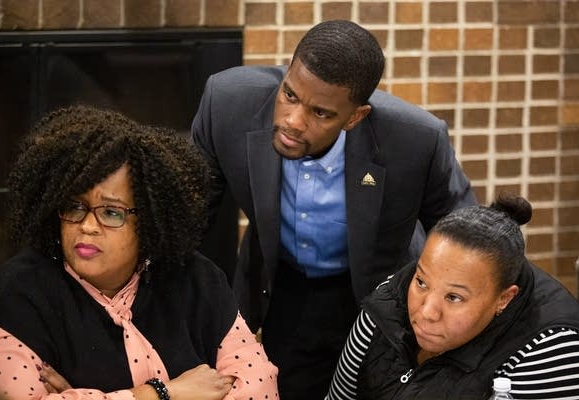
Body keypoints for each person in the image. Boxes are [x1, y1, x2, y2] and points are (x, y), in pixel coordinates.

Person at [191, 19, 475, 399]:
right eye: (289, 95)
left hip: (382, 294)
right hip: (284, 284)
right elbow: (187, 213)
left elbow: (465, 239)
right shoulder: (227, 103)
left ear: (355, 117)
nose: (293, 122)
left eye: (321, 113)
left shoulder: (417, 139)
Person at [0, 105, 278, 400]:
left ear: (147, 220)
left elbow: (260, 390)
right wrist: (163, 394)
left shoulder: (196, 279)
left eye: (111, 212)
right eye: (74, 206)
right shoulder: (18, 291)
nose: (87, 226)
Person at [326, 195, 579, 400]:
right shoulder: (390, 300)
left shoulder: (551, 351)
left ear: (503, 299)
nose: (426, 312)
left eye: (454, 297)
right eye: (422, 282)